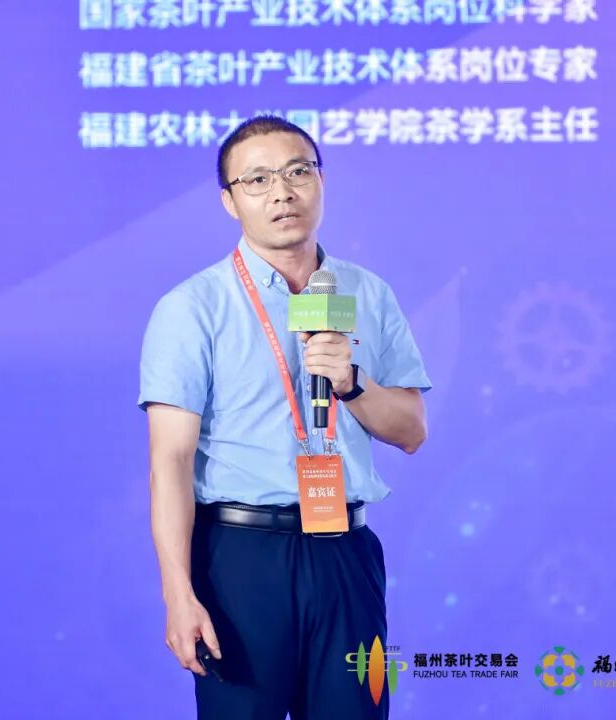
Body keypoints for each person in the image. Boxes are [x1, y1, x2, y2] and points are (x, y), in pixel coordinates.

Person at [138, 115, 431, 720]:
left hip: (345, 554)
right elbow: (170, 461)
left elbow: (410, 430)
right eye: (258, 179)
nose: (282, 193)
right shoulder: (193, 307)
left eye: (298, 172)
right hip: (241, 558)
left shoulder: (368, 293)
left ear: (321, 181)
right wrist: (178, 593)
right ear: (230, 201)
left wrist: (352, 384)